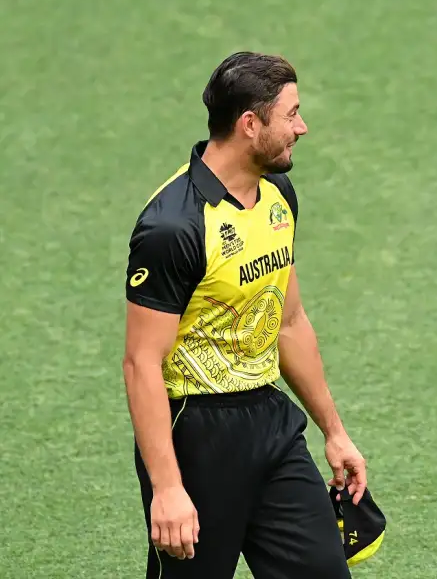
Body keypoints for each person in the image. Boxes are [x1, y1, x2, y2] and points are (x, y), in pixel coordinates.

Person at [122, 51, 376, 578]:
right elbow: (142, 363)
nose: (302, 127)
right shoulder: (174, 226)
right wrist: (168, 489)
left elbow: (288, 322)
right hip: (196, 434)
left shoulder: (277, 195)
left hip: (270, 422)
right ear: (250, 124)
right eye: (292, 114)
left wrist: (334, 430)